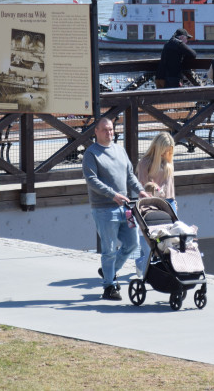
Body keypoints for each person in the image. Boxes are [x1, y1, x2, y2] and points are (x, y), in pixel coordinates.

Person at [82, 117, 149, 300]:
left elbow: (129, 175)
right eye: (104, 130)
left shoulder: (120, 150)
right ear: (96, 131)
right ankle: (109, 287)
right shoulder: (91, 153)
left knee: (133, 243)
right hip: (105, 209)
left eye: (111, 129)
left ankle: (109, 272)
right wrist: (113, 195)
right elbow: (91, 180)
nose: (109, 133)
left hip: (125, 208)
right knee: (109, 248)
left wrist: (141, 191)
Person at [133, 132, 177, 273]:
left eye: (170, 150)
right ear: (158, 148)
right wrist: (156, 189)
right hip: (150, 203)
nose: (167, 153)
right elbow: (143, 185)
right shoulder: (145, 163)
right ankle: (144, 266)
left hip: (169, 203)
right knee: (150, 240)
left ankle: (154, 267)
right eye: (165, 149)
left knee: (170, 239)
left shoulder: (168, 162)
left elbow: (167, 186)